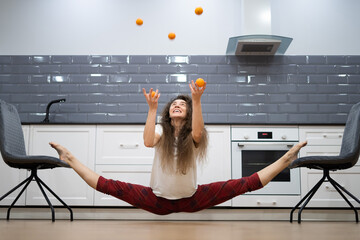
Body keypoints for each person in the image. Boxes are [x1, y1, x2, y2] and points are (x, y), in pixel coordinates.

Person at [50, 80, 307, 215]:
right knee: (111, 187)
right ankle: (70, 158)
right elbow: (148, 141)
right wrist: (151, 110)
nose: (177, 105)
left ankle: (284, 160)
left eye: (183, 105)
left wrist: (196, 99)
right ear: (167, 111)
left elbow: (197, 131)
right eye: (174, 104)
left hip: (192, 198)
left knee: (240, 185)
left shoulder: (193, 136)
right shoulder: (162, 131)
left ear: (188, 112)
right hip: (158, 200)